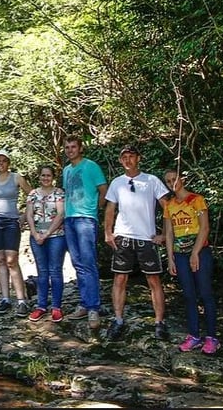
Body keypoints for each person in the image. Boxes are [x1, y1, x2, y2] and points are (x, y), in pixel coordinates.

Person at [103, 144, 172, 341]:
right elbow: (110, 208)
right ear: (120, 160)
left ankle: (159, 323)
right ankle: (118, 320)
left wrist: (165, 233)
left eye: (131, 156)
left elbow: (166, 206)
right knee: (119, 279)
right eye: (124, 156)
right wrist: (108, 233)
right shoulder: (117, 182)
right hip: (123, 237)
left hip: (146, 238)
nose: (127, 160)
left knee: (154, 280)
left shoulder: (151, 180)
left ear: (138, 158)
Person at [163, 169, 219, 354]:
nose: (172, 183)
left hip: (200, 251)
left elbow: (205, 227)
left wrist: (195, 252)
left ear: (182, 179)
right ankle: (194, 335)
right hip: (179, 254)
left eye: (175, 179)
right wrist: (170, 257)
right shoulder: (169, 205)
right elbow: (169, 233)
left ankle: (212, 337)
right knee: (188, 295)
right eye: (169, 181)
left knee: (205, 293)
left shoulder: (197, 200)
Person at [61, 135, 108, 329]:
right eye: (67, 147)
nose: (70, 150)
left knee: (88, 262)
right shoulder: (66, 170)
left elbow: (104, 189)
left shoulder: (91, 166)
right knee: (77, 263)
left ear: (80, 148)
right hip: (70, 219)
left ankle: (93, 308)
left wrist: (94, 210)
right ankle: (84, 302)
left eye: (73, 147)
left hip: (86, 219)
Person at [0, 149, 33, 318]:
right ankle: (5, 298)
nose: (1, 163)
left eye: (4, 160)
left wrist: (25, 215)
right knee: (0, 259)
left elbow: (32, 195)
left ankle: (21, 300)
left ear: (8, 162)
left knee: (12, 260)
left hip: (12, 221)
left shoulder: (16, 177)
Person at [24, 165, 67, 323]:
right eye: (43, 175)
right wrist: (35, 233)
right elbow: (29, 214)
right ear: (39, 177)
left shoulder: (59, 193)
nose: (45, 178)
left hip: (56, 236)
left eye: (48, 175)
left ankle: (56, 307)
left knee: (55, 270)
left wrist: (47, 233)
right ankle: (41, 306)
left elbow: (61, 214)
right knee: (42, 272)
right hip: (36, 236)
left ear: (53, 177)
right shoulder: (32, 194)